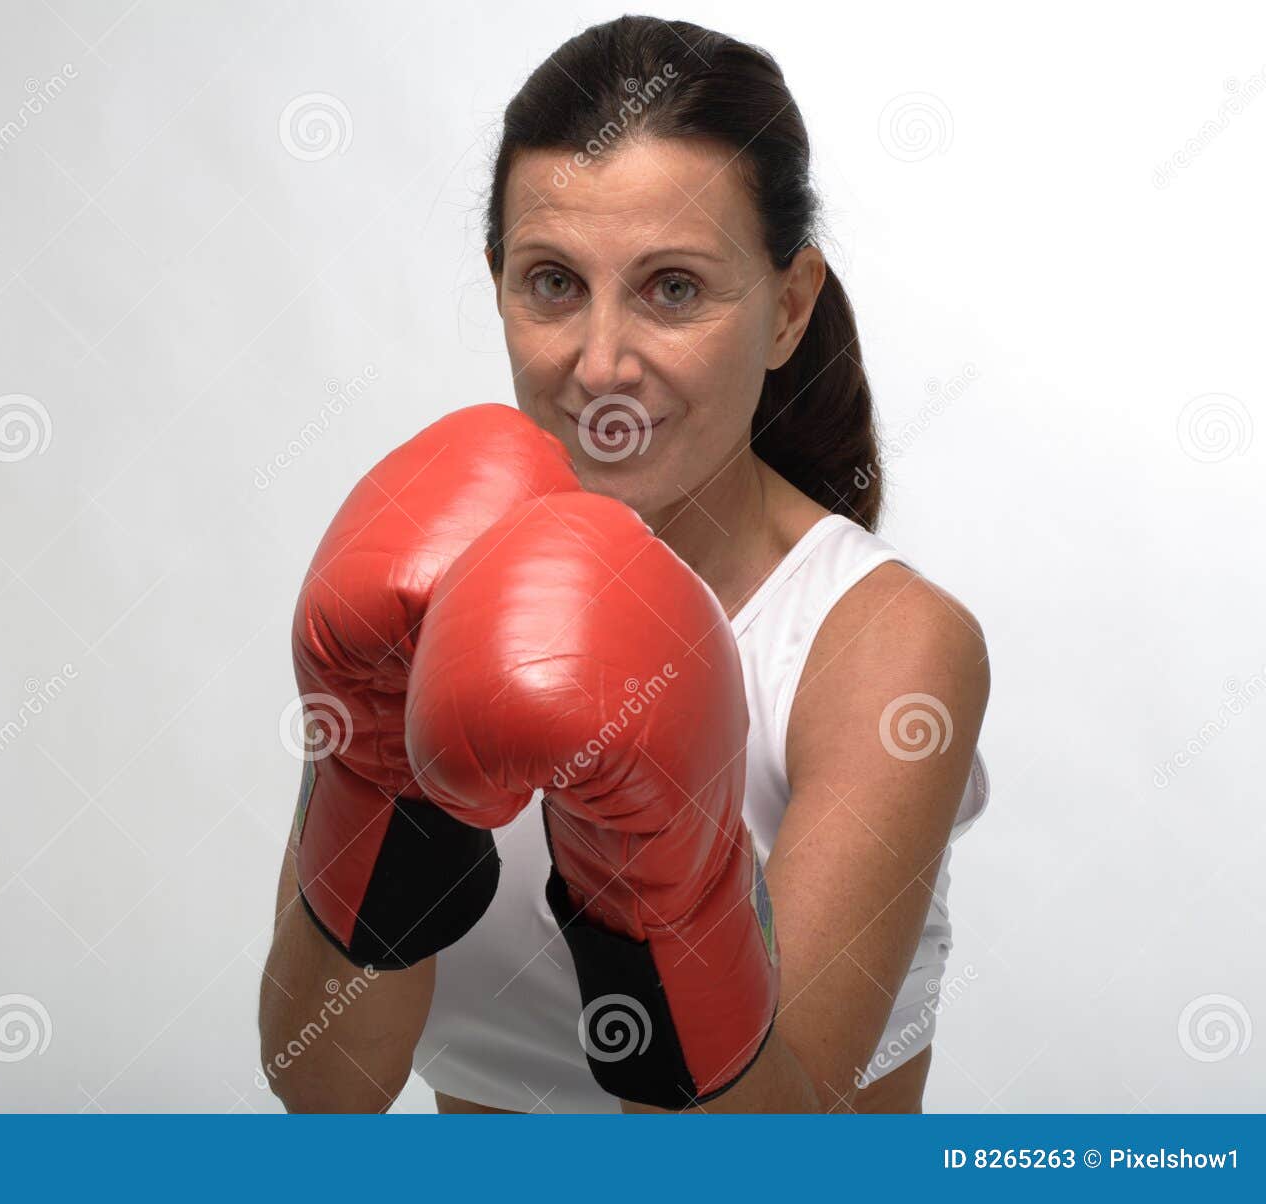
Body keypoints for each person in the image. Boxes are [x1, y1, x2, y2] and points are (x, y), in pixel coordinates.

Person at [259, 14, 991, 1114]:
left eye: (674, 288)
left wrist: (663, 902)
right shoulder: (422, 586)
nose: (601, 363)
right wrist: (378, 785)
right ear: (498, 281)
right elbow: (325, 1086)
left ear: (788, 307)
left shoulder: (879, 643)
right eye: (553, 282)